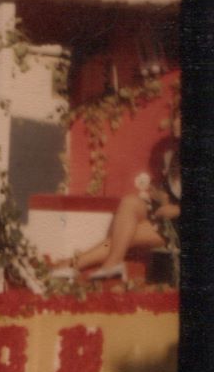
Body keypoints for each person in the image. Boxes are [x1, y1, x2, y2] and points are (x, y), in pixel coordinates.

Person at [52, 108, 181, 280]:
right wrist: (162, 198)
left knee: (125, 236)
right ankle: (104, 265)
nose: (176, 122)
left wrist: (177, 210)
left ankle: (75, 264)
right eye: (177, 116)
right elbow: (170, 195)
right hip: (170, 222)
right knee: (130, 202)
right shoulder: (173, 156)